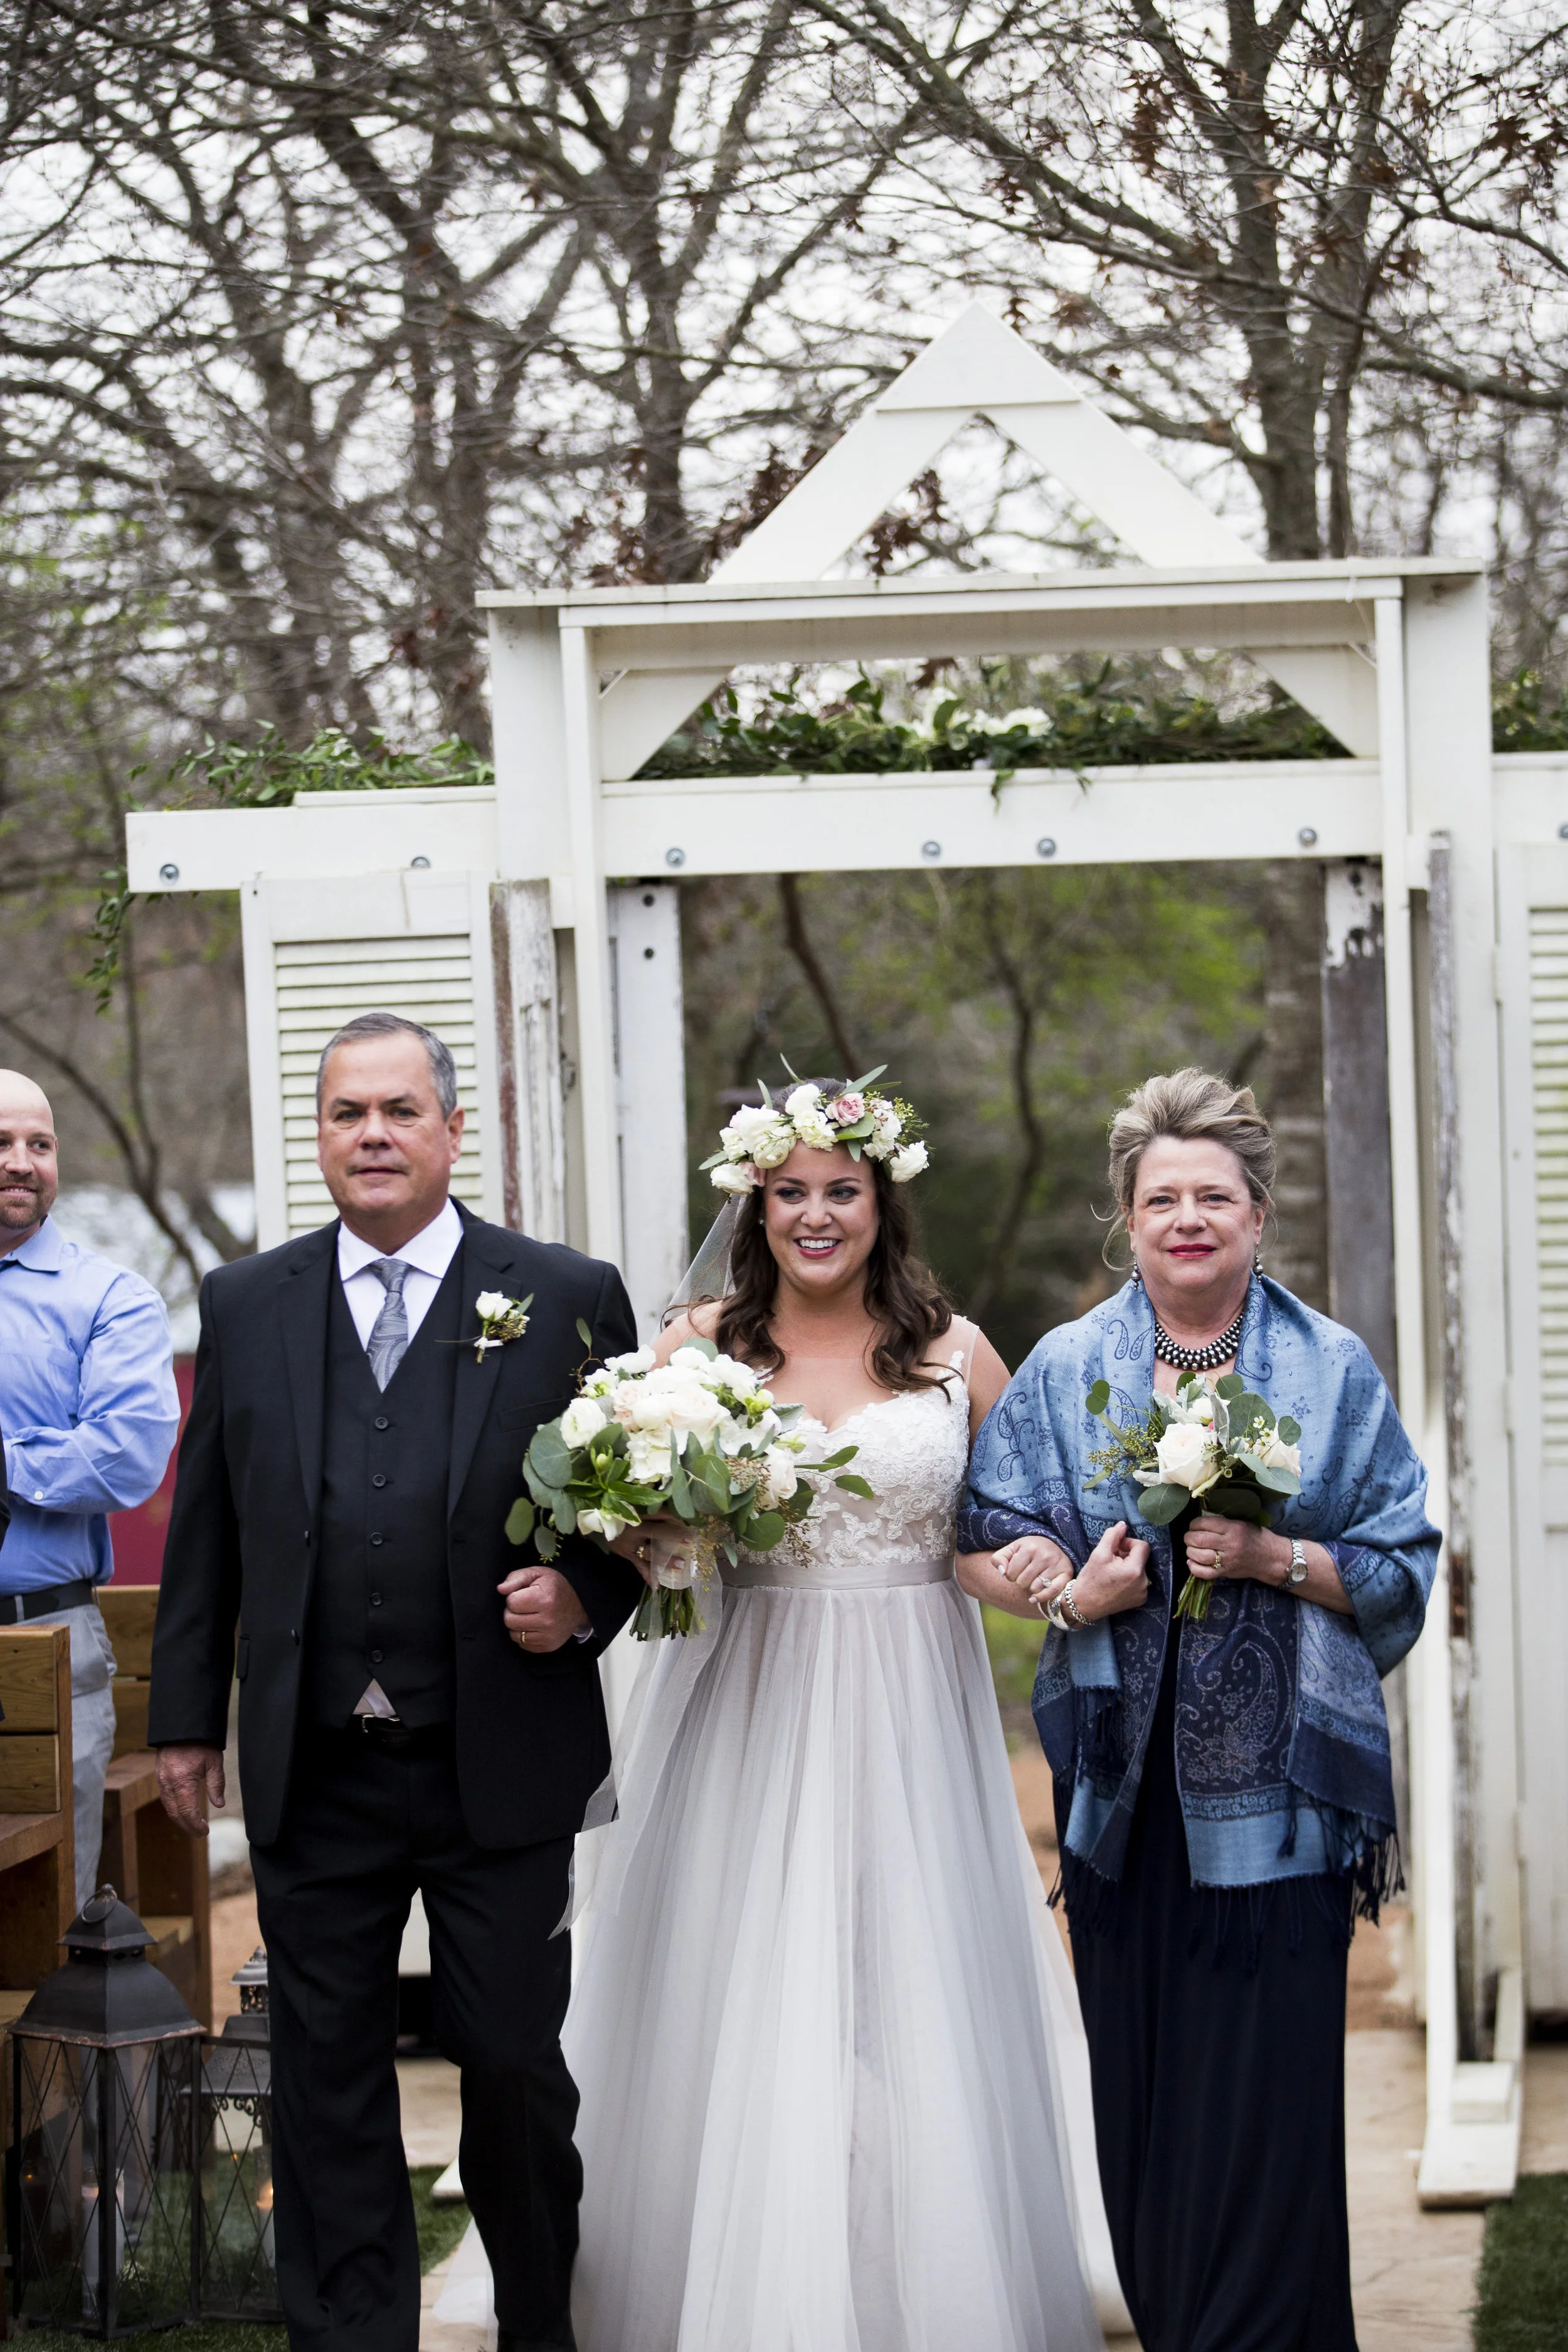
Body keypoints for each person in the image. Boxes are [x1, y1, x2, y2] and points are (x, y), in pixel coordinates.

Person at [546, 1073, 1109, 2352]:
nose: (814, 1214)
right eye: (788, 1191)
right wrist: (653, 1530)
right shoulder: (692, 1350)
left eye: (838, 1191)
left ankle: (913, 2268)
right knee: (747, 1962)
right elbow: (627, 1533)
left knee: (907, 1970)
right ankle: (734, 2273)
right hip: (749, 1690)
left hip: (913, 1690)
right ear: (756, 1203)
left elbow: (1006, 1532)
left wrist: (1026, 1574)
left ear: (879, 1200)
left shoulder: (956, 1351)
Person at [149, 1010, 644, 2352]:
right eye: (346, 1114)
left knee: (509, 2065)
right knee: (327, 2078)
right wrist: (186, 1724)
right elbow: (205, 1529)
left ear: (450, 1129)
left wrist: (584, 1598)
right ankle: (351, 2334)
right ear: (320, 1136)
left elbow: (637, 1517)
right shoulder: (245, 1304)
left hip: (502, 1762)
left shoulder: (563, 1290)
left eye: (398, 1111)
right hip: (316, 1764)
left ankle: (540, 2322)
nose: (372, 1135)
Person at [960, 1068, 1440, 2352]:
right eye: (1159, 1196)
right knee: (1147, 2096)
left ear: (1255, 1216)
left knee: (1268, 2099)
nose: (1186, 1217)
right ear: (1125, 1220)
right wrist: (1071, 1586)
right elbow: (991, 1533)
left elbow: (1400, 1563)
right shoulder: (1067, 1371)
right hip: (1120, 1809)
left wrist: (1275, 1558)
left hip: (1279, 1802)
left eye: (1211, 1196)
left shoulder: (1327, 1369)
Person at [0, 1069, 179, 1906]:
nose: (23, 1161)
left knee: (46, 1908)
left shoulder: (111, 1298)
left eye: (39, 1143)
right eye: (2, 1142)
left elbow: (124, 1457)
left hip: (48, 1641)